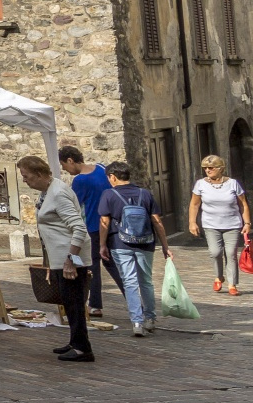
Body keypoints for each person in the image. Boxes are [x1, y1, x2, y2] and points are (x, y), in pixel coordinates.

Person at [20, 155, 93, 361]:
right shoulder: (48, 191)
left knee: (74, 301)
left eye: (27, 176)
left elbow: (78, 227)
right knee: (68, 302)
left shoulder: (58, 193)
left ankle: (82, 348)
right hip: (60, 257)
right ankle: (75, 340)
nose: (25, 180)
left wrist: (71, 260)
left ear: (40, 174)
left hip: (69, 257)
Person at [97, 160, 171, 336]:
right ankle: (150, 319)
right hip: (145, 242)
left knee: (129, 282)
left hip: (120, 243)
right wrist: (165, 246)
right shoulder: (144, 194)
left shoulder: (108, 195)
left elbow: (105, 222)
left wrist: (102, 244)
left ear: (112, 177)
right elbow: (157, 221)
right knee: (146, 281)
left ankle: (136, 322)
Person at [59, 146, 114, 318]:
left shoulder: (80, 180)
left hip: (93, 226)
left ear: (70, 160)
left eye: (64, 165)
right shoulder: (102, 168)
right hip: (112, 224)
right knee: (113, 264)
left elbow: (74, 204)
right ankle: (134, 301)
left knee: (93, 266)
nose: (64, 170)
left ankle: (95, 305)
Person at [187, 154, 248, 296]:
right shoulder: (200, 184)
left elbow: (243, 204)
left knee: (231, 253)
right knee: (215, 252)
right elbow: (194, 204)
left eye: (211, 168)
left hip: (232, 224)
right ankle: (219, 276)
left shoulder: (233, 184)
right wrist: (192, 222)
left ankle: (232, 284)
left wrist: (247, 223)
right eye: (205, 168)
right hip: (210, 224)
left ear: (220, 168)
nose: (208, 170)